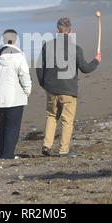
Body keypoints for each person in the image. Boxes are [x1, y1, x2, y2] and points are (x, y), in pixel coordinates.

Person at [36, 18, 101, 158]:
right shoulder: (76, 48)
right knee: (67, 120)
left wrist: (44, 84)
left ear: (57, 31)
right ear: (70, 31)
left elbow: (39, 68)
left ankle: (47, 145)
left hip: (51, 88)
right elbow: (86, 68)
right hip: (68, 90)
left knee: (52, 116)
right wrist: (96, 61)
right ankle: (63, 150)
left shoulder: (47, 46)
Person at [0, 29, 32, 160]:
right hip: (15, 97)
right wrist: (27, 91)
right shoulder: (20, 55)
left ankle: (1, 153)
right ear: (15, 40)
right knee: (13, 126)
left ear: (3, 40)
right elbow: (24, 76)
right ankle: (7, 155)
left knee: (3, 123)